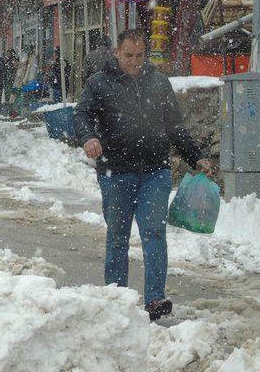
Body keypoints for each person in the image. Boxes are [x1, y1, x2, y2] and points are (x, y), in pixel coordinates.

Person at [73, 29, 211, 321]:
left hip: (155, 172)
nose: (134, 61)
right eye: (128, 56)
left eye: (139, 55)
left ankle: (155, 300)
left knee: (153, 234)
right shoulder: (99, 83)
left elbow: (175, 127)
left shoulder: (159, 83)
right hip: (115, 172)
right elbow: (81, 114)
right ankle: (115, 297)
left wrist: (195, 155)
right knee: (118, 237)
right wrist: (88, 137)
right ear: (117, 53)